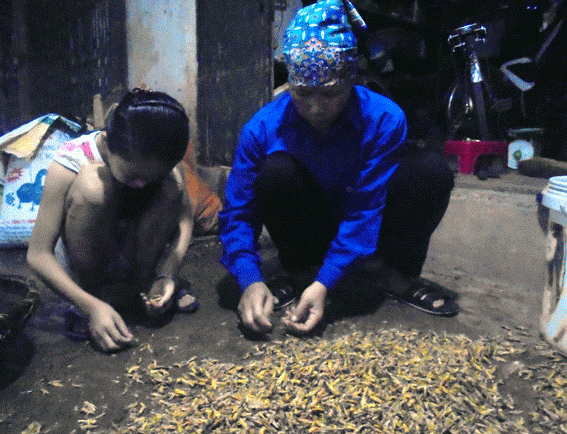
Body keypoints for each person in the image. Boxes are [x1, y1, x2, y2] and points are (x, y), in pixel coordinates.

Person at [219, 0, 458, 336]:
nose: (316, 108)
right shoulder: (263, 127)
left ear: (353, 79)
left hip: (369, 226)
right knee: (276, 173)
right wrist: (249, 279)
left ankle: (392, 273)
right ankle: (303, 272)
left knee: (429, 171)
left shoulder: (384, 118)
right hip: (311, 230)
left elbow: (365, 208)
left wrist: (327, 282)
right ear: (290, 83)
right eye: (303, 93)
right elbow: (238, 212)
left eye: (331, 94)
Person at [27, 89, 198, 352]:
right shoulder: (69, 161)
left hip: (139, 258)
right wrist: (90, 306)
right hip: (93, 266)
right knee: (93, 187)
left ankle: (145, 285)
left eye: (151, 177)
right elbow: (38, 255)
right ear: (107, 144)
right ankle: (94, 296)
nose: (141, 186)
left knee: (172, 184)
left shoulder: (164, 159)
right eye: (132, 176)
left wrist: (168, 272)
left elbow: (185, 221)